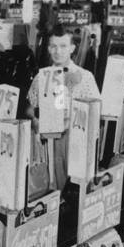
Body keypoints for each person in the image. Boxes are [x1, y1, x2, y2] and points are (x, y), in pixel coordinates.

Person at [25, 25, 101, 189]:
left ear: (72, 48)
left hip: (77, 141)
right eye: (53, 46)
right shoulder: (41, 77)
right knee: (52, 189)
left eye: (63, 46)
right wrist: (35, 121)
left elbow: (96, 114)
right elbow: (30, 108)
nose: (58, 51)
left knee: (78, 190)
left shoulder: (85, 77)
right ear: (48, 48)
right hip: (50, 141)